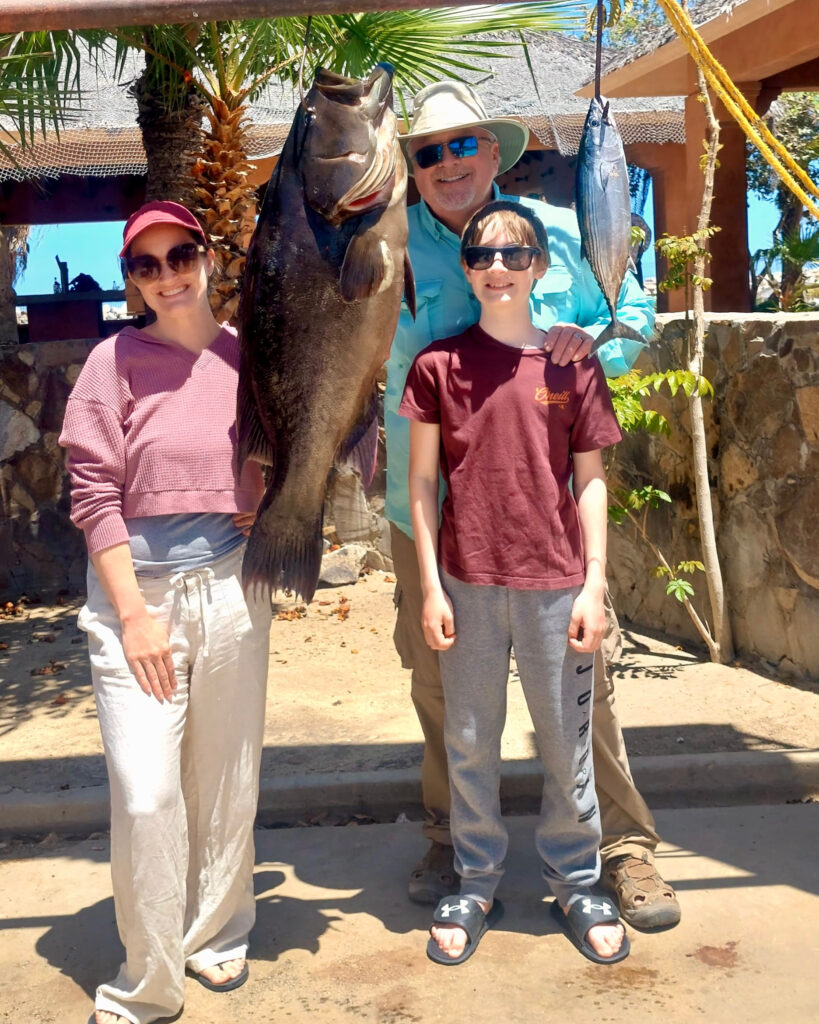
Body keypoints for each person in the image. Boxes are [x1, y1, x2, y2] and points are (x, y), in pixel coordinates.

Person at [384, 80, 680, 930]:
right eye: (428, 151)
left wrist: (596, 352)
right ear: (411, 163)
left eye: (462, 144)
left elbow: (630, 314)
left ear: (494, 152)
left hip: (545, 518)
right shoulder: (383, 246)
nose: (447, 164)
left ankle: (621, 850)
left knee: (586, 687)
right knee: (441, 688)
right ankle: (451, 840)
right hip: (429, 517)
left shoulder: (554, 232)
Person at [59, 201, 272, 1024]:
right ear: (130, 282)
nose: (165, 276)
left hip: (230, 585)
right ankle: (149, 980)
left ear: (208, 255)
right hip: (136, 601)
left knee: (224, 776)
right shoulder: (112, 363)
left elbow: (285, 450)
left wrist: (264, 499)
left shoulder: (251, 358)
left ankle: (218, 931)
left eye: (177, 255)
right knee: (148, 793)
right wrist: (134, 616)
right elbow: (92, 492)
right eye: (142, 266)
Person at [401, 199, 628, 965]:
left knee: (566, 744)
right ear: (465, 269)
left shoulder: (571, 362)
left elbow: (590, 480)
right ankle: (475, 878)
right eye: (481, 255)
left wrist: (594, 583)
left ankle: (577, 877)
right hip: (466, 584)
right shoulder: (437, 366)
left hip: (556, 584)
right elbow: (423, 482)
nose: (496, 267)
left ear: (538, 267)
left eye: (513, 254)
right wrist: (430, 586)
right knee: (469, 743)